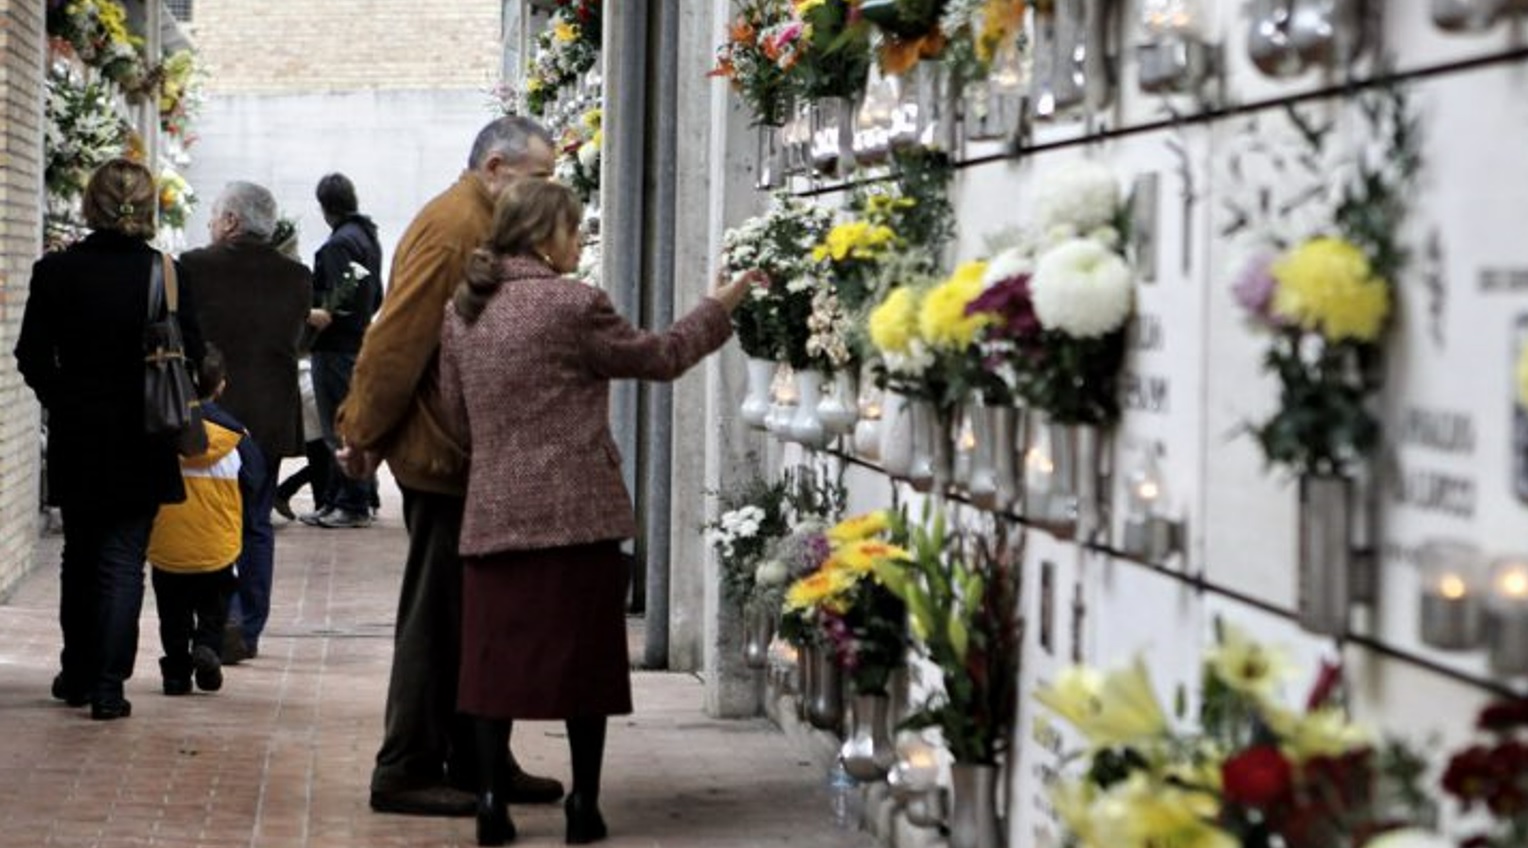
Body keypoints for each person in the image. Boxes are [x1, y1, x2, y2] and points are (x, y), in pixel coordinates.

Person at [438, 180, 751, 845]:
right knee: (583, 662)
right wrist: (718, 307)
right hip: (578, 514)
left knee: (492, 664)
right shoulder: (574, 305)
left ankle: (492, 803)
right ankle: (584, 805)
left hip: (494, 515)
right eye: (574, 230)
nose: (580, 242)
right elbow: (660, 357)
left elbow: (455, 416)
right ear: (545, 235)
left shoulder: (463, 310)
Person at [335, 116, 563, 817]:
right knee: (436, 619)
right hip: (443, 453)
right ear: (496, 168)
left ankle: (476, 758)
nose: (549, 192)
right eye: (540, 177)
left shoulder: (483, 222)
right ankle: (404, 768)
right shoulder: (452, 226)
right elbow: (398, 338)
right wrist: (360, 431)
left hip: (471, 452)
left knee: (473, 616)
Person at [13, 158, 206, 720]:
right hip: (145, 435)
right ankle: (107, 686)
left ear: (90, 204)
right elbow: (191, 354)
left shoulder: (55, 272)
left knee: (79, 555)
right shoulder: (165, 274)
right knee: (124, 560)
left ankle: (75, 671)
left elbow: (29, 354)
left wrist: (64, 398)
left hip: (79, 433)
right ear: (147, 208)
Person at [180, 182, 312, 664]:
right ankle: (246, 624)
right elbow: (295, 342)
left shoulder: (193, 268)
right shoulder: (297, 277)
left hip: (208, 416)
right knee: (255, 523)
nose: (211, 224)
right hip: (269, 419)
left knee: (202, 518)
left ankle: (208, 625)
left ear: (232, 221)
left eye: (215, 215)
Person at [146, 347, 264, 696]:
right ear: (221, 387)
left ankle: (176, 674)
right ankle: (208, 648)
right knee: (213, 607)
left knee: (172, 614)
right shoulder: (236, 439)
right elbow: (255, 484)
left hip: (167, 546)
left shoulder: (160, 433)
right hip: (217, 546)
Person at [302, 173, 383, 529]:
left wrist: (317, 315)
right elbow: (373, 292)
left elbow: (337, 299)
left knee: (338, 427)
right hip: (357, 341)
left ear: (324, 207)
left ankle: (351, 503)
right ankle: (340, 499)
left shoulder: (338, 245)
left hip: (335, 347)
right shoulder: (367, 237)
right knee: (350, 422)